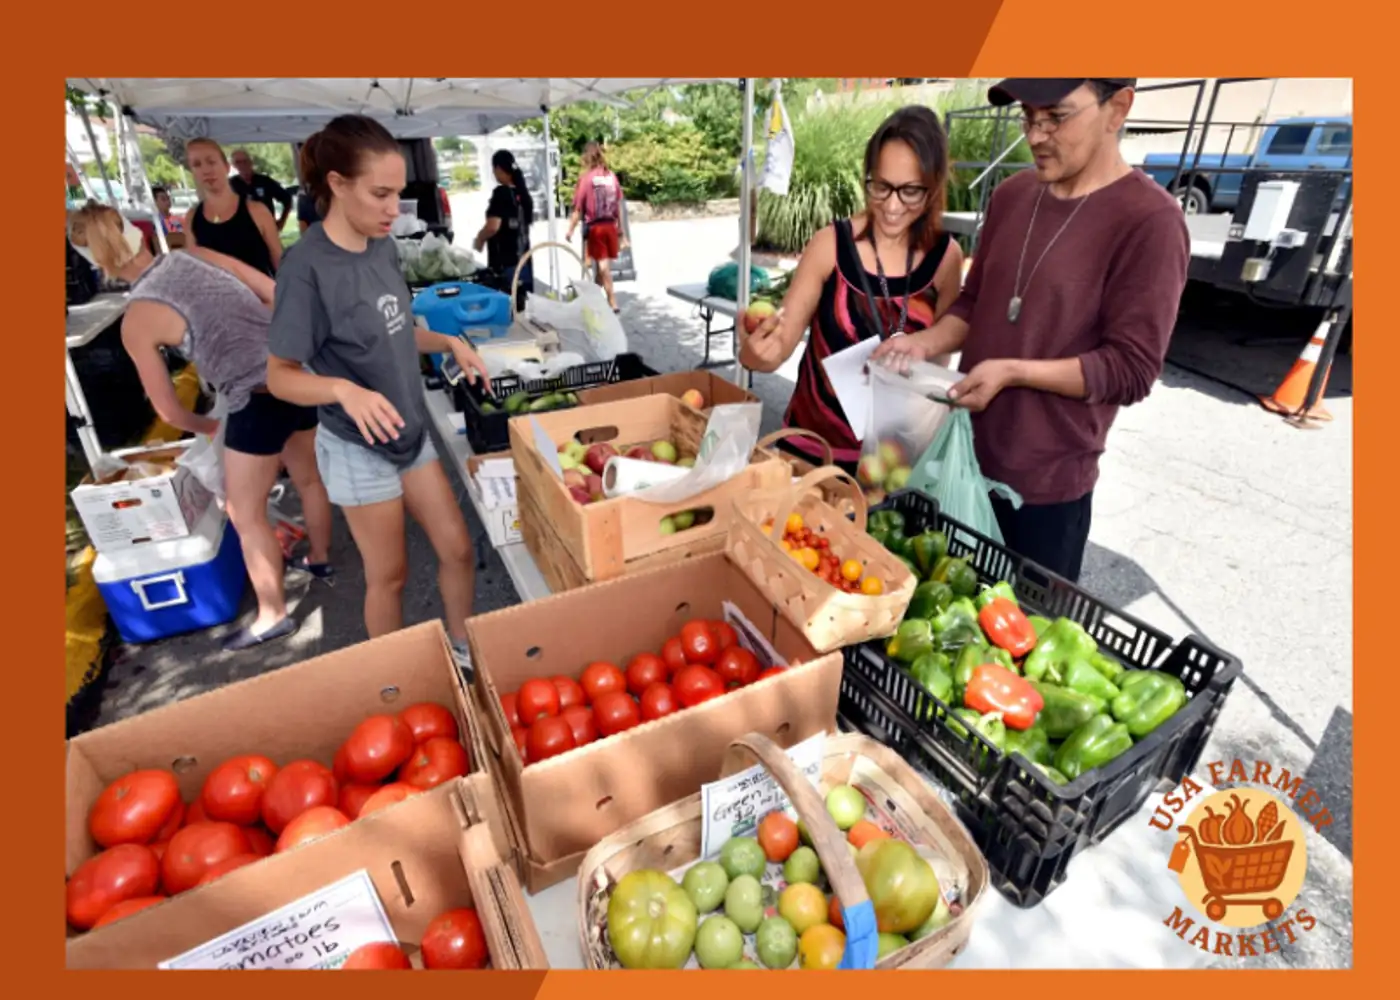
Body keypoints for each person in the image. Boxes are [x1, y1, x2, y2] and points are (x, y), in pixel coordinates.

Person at [873, 79, 1190, 582]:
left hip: (1045, 490)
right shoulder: (1012, 195)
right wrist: (922, 342)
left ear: (1118, 108)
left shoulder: (1151, 221)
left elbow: (1131, 369)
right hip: (962, 460)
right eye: (1028, 117)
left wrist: (1014, 372)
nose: (1036, 136)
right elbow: (977, 302)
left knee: (1018, 642)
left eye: (1055, 117)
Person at [264, 114, 491, 672]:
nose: (395, 209)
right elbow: (279, 375)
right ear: (337, 185)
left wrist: (448, 341)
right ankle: (392, 682)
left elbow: (396, 328)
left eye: (400, 193)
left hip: (409, 431)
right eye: (381, 193)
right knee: (389, 575)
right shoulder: (306, 268)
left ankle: (461, 651)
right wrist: (342, 390)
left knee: (458, 548)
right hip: (357, 446)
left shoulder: (382, 246)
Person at [66, 202, 335, 651]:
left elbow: (170, 413)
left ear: (94, 261)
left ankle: (272, 615)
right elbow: (271, 290)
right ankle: (322, 559)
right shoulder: (195, 254)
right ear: (136, 235)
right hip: (293, 372)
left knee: (244, 513)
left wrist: (210, 426)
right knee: (308, 477)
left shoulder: (137, 320)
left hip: (253, 398)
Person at [740, 105, 963, 476]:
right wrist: (754, 354)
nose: (891, 206)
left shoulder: (946, 258)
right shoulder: (830, 245)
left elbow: (938, 363)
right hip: (811, 455)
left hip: (889, 466)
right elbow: (777, 346)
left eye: (910, 191)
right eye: (880, 186)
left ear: (934, 186)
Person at [183, 138, 282, 276]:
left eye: (211, 162)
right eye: (197, 164)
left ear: (226, 167)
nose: (206, 170)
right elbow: (195, 271)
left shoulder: (257, 212)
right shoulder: (192, 218)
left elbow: (280, 265)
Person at [565, 142, 626, 311]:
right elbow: (618, 204)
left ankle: (612, 301)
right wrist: (620, 228)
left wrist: (570, 230)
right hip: (611, 227)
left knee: (602, 266)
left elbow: (578, 209)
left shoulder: (586, 179)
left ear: (586, 158)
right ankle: (594, 296)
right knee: (599, 267)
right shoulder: (611, 176)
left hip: (596, 229)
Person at [473, 149, 534, 312]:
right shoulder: (523, 195)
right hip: (524, 262)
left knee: (506, 311)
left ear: (499, 169)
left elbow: (493, 226)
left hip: (504, 264)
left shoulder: (501, 193)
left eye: (494, 170)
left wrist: (479, 239)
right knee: (523, 309)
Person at [230, 148, 294, 232]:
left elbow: (287, 198)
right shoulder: (230, 184)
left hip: (267, 229)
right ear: (234, 165)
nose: (242, 165)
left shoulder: (264, 181)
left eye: (245, 161)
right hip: (242, 232)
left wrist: (282, 221)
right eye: (238, 162)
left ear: (251, 162)